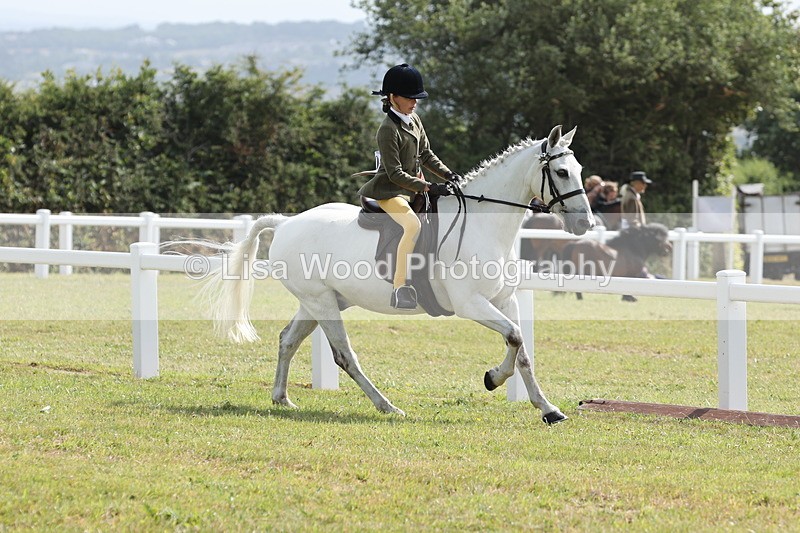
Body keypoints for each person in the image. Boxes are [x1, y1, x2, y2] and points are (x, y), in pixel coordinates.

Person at [357, 64, 462, 310]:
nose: (414, 102)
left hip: (413, 188)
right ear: (393, 98)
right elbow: (394, 173)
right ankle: (400, 287)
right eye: (409, 98)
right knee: (412, 225)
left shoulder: (414, 120)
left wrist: (448, 174)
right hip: (390, 191)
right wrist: (427, 186)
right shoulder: (387, 129)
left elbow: (426, 154)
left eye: (416, 98)